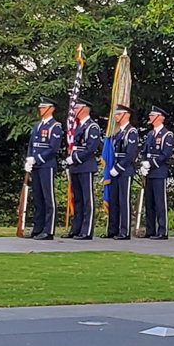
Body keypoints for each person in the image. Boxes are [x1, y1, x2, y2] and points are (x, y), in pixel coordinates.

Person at [25, 97, 63, 240]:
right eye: (40, 107)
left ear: (51, 109)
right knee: (38, 198)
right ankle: (37, 228)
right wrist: (29, 159)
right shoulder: (37, 126)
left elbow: (53, 148)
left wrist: (38, 159)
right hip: (35, 165)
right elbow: (32, 145)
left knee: (48, 199)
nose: (40, 109)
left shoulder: (55, 126)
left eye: (44, 107)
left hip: (47, 165)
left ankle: (48, 230)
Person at [64, 97, 102, 240]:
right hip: (75, 166)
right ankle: (76, 229)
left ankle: (86, 230)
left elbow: (90, 148)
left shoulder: (92, 127)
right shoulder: (78, 127)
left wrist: (75, 158)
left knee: (87, 199)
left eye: (76, 108)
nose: (74, 111)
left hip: (85, 166)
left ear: (84, 109)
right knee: (78, 199)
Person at [102, 104, 139, 240]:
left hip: (124, 171)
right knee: (114, 200)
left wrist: (118, 168)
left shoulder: (131, 132)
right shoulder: (118, 133)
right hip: (114, 170)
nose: (116, 116)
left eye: (118, 114)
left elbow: (130, 154)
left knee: (124, 201)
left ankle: (124, 231)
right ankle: (112, 229)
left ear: (126, 115)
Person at [141, 106, 174, 240]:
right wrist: (143, 163)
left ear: (160, 117)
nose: (150, 117)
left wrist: (151, 163)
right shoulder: (150, 134)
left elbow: (165, 155)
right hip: (149, 172)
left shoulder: (167, 135)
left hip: (159, 171)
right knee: (149, 202)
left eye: (153, 115)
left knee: (160, 202)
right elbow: (144, 151)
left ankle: (162, 231)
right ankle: (150, 230)